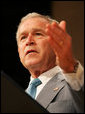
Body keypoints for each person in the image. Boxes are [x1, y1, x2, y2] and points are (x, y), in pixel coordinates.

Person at [16, 12, 84, 113]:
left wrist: (70, 67)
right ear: (18, 50)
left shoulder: (73, 85)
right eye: (23, 37)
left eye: (38, 34)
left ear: (56, 42)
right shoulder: (16, 99)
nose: (29, 41)